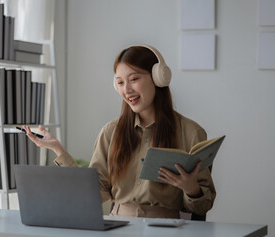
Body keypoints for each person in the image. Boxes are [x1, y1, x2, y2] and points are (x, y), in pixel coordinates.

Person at [23, 45, 216, 219]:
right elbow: (92, 193)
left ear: (158, 78)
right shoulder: (110, 132)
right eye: (120, 83)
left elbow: (202, 207)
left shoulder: (191, 132)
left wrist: (192, 189)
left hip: (166, 229)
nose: (127, 90)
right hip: (118, 227)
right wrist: (59, 151)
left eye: (134, 79)